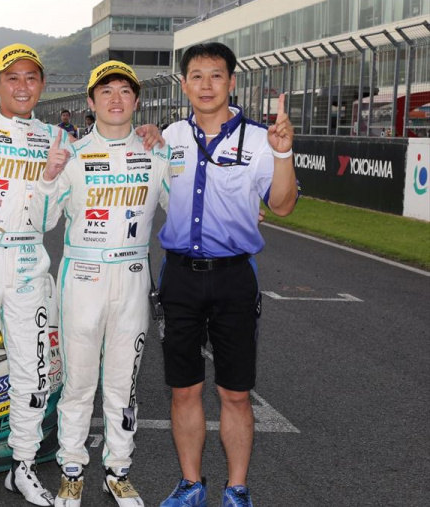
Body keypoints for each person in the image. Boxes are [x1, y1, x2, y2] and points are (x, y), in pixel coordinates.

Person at [0, 44, 164, 507]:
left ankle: (22, 466)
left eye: (31, 78)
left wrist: (150, 134)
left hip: (29, 268)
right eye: (13, 77)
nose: (23, 86)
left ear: (41, 85)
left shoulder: (56, 138)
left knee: (33, 377)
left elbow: (50, 215)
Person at [156, 42, 297, 507]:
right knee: (184, 389)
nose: (206, 85)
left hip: (235, 278)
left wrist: (283, 154)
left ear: (231, 82)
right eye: (196, 76)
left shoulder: (259, 139)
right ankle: (190, 485)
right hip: (180, 277)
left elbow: (282, 205)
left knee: (235, 394)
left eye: (216, 75)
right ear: (184, 85)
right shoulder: (170, 136)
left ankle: (237, 489)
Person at [29, 61, 169, 507]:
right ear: (90, 102)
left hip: (132, 279)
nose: (115, 98)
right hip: (82, 280)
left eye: (124, 90)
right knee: (77, 385)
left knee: (123, 385)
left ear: (137, 101)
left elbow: (187, 209)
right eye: (105, 91)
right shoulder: (71, 154)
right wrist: (48, 177)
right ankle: (71, 470)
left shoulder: (156, 154)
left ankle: (118, 470)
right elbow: (42, 221)